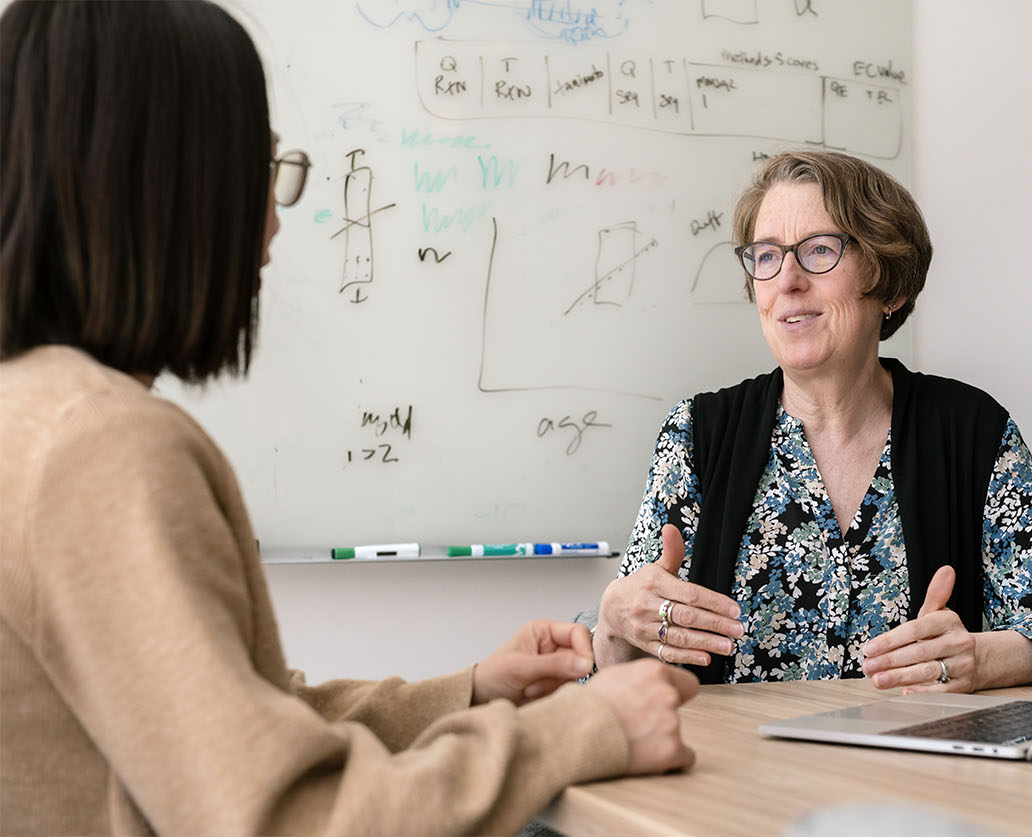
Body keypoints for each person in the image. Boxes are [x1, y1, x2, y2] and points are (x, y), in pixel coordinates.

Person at [0, 3, 696, 833]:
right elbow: (289, 813)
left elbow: (244, 718)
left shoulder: (35, 412)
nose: (274, 220)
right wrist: (585, 727)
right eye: (261, 168)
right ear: (171, 182)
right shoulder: (103, 447)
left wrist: (470, 689)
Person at [592, 150, 1032, 691]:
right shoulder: (699, 434)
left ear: (891, 284)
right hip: (737, 770)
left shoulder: (970, 431)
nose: (787, 280)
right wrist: (611, 628)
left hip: (914, 769)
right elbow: (620, 673)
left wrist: (980, 659)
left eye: (820, 250)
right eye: (767, 256)